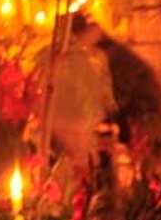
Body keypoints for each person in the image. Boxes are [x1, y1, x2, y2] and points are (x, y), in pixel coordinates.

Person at [42, 11, 118, 166]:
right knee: (79, 160)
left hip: (60, 118)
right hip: (81, 117)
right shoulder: (94, 56)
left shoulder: (50, 54)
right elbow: (105, 93)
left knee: (66, 161)